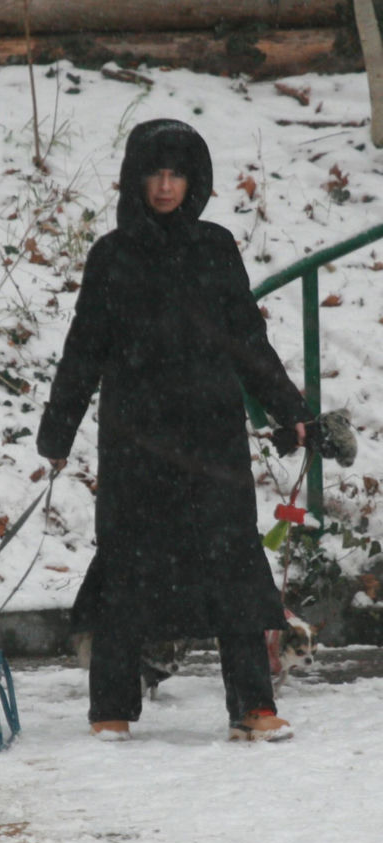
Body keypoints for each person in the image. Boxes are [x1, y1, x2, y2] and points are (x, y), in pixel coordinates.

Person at [36, 119, 311, 742]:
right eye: (154, 174)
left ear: (195, 180)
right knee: (127, 568)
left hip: (213, 439)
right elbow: (83, 351)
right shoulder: (111, 255)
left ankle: (253, 707)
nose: (165, 186)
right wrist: (58, 431)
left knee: (235, 563)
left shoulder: (216, 247)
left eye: (176, 174)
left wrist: (286, 408)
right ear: (135, 179)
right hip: (136, 439)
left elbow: (249, 341)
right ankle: (111, 708)